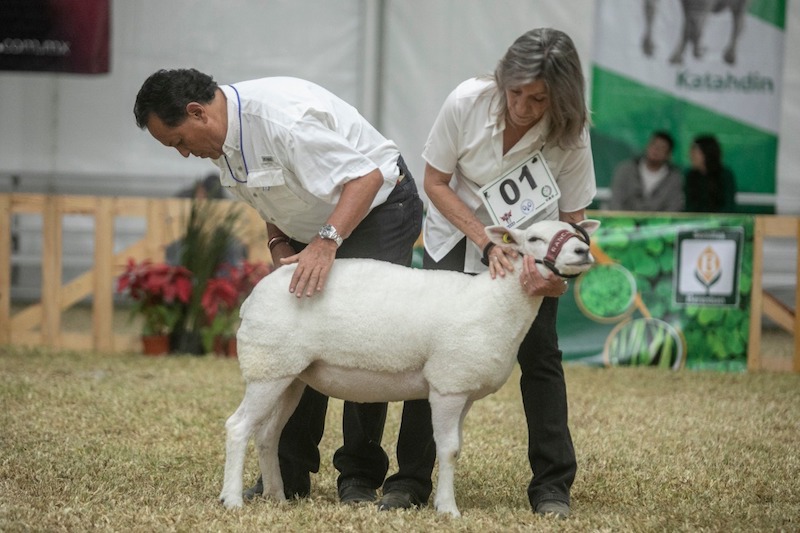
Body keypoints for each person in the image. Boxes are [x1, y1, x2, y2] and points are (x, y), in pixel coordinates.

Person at [134, 69, 424, 504]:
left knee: (364, 333)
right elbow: (266, 193)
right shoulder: (218, 141)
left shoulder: (282, 120)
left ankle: (359, 476)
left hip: (378, 204)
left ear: (197, 113)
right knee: (296, 331)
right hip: (317, 224)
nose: (182, 154)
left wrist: (327, 243)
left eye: (177, 141)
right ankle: (287, 476)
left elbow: (365, 179)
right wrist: (279, 240)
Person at [380, 28, 597, 519]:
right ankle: (410, 479)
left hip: (533, 250)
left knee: (540, 356)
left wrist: (559, 275)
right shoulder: (466, 102)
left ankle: (552, 486)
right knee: (431, 351)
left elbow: (576, 217)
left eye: (537, 98)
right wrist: (483, 238)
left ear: (560, 97)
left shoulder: (572, 133)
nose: (522, 106)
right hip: (456, 236)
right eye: (514, 92)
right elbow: (434, 181)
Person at [608, 131, 684, 212]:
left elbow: (674, 207)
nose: (656, 150)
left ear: (669, 155)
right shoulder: (625, 170)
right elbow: (616, 201)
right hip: (625, 222)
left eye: (662, 148)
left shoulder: (675, 178)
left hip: (660, 224)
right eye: (654, 145)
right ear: (647, 146)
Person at [684, 134, 737, 213]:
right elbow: (689, 205)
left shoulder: (724, 175)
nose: (691, 156)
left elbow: (728, 206)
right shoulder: (690, 176)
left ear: (706, 153)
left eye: (694, 152)